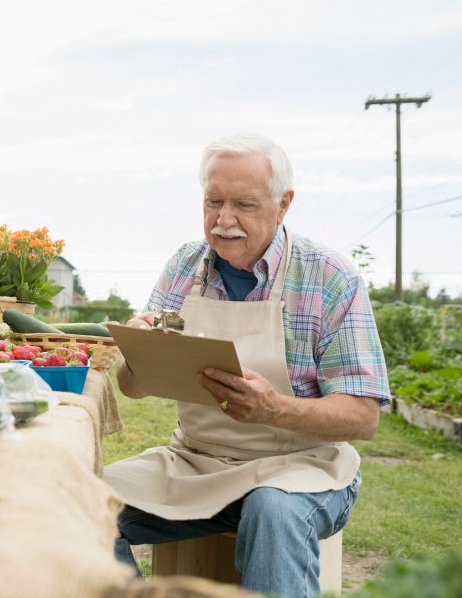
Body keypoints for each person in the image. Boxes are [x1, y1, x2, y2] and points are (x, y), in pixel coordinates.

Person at [104, 133, 391, 598]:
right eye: (213, 201)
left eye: (244, 204)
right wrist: (141, 349)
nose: (224, 220)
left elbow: (364, 417)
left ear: (283, 204)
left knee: (272, 511)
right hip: (193, 461)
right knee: (75, 502)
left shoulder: (331, 278)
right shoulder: (184, 265)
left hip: (302, 467)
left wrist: (273, 409)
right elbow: (131, 387)